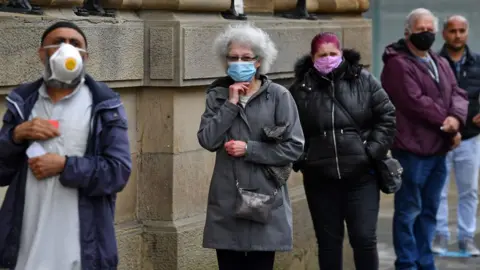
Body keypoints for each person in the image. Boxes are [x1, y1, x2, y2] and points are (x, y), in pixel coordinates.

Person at [0, 21, 132, 270]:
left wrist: (65, 165)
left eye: (75, 44)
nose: (67, 49)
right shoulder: (23, 103)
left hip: (81, 248)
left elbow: (118, 172)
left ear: (85, 57)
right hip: (26, 247)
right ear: (42, 53)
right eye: (59, 42)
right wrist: (15, 136)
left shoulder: (105, 105)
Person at [197, 23, 304, 270]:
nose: (239, 62)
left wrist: (250, 149)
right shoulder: (217, 95)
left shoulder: (279, 96)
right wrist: (231, 105)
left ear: (258, 61)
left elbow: (294, 148)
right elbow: (207, 140)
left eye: (246, 57)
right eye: (233, 57)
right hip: (227, 199)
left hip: (264, 199)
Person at [289, 32, 396, 270]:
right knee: (328, 243)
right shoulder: (300, 89)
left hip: (361, 177)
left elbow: (387, 116)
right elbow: (289, 130)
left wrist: (371, 152)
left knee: (364, 239)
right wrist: (303, 160)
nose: (328, 59)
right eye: (322, 55)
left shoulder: (364, 80)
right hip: (320, 179)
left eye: (333, 54)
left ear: (341, 54)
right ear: (312, 57)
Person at [380, 8, 468, 270]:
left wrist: (456, 119)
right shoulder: (397, 63)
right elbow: (414, 101)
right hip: (412, 150)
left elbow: (458, 93)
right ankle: (407, 263)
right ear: (408, 32)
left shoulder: (438, 61)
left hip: (438, 150)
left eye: (430, 29)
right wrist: (449, 124)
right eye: (421, 30)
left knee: (429, 211)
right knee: (409, 211)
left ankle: (424, 260)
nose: (427, 34)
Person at [433, 15, 480, 256]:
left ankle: (467, 237)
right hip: (441, 136)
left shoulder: (477, 63)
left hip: (470, 137)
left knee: (469, 190)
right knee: (438, 190)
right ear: (444, 33)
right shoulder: (435, 62)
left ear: (467, 33)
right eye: (453, 31)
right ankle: (440, 234)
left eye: (462, 30)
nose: (457, 35)